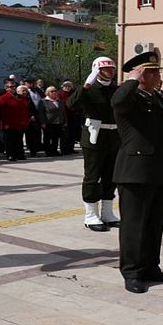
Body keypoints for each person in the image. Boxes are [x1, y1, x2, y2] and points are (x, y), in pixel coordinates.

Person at [112, 51, 163, 294]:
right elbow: (117, 101)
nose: (158, 76)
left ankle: (151, 267)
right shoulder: (129, 98)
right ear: (141, 75)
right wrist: (131, 79)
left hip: (159, 168)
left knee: (153, 222)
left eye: (158, 71)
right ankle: (132, 272)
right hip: (135, 171)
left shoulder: (156, 97)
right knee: (134, 224)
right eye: (152, 72)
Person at [67, 57, 121, 231]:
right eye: (106, 69)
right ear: (96, 70)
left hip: (113, 136)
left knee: (110, 176)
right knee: (92, 176)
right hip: (94, 136)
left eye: (112, 69)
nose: (110, 72)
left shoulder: (115, 89)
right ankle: (90, 215)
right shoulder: (89, 88)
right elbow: (71, 104)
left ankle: (107, 213)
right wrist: (85, 86)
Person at [0, 80, 28, 161]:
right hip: (8, 123)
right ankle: (10, 155)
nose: (11, 88)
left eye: (13, 86)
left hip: (19, 123)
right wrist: (5, 123)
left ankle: (20, 154)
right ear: (5, 88)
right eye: (9, 87)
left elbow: (24, 110)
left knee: (19, 139)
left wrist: (25, 121)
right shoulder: (3, 98)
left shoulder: (21, 97)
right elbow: (2, 112)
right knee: (9, 141)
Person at [38, 86, 66, 156]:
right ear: (48, 93)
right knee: (47, 138)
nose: (54, 92)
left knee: (56, 137)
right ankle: (48, 151)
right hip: (48, 123)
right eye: (52, 91)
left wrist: (65, 121)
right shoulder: (43, 101)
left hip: (58, 122)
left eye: (55, 91)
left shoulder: (59, 101)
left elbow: (63, 112)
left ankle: (54, 150)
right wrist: (42, 122)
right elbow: (41, 113)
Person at [58, 80, 80, 155]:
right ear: (62, 86)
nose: (67, 87)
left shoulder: (73, 93)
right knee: (65, 134)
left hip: (73, 115)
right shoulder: (59, 94)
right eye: (66, 86)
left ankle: (71, 148)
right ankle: (64, 149)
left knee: (72, 133)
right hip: (64, 116)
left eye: (69, 86)